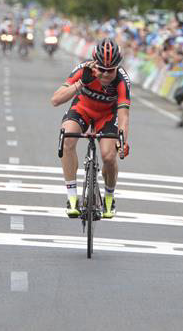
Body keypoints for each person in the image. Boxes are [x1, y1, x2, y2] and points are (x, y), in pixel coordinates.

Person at [51, 38, 130, 219]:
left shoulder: (121, 80)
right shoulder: (83, 70)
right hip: (83, 109)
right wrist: (81, 84)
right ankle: (72, 197)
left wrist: (123, 140)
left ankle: (109, 197)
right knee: (67, 138)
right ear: (95, 64)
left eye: (110, 71)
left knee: (108, 156)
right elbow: (55, 100)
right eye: (101, 70)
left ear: (117, 67)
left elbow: (124, 116)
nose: (105, 75)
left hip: (107, 116)